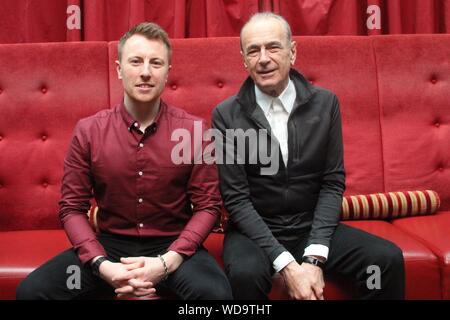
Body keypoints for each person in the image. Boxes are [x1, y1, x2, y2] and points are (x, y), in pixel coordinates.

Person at [16, 22, 232, 300]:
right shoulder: (89, 131)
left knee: (215, 295)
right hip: (107, 248)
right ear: (119, 69)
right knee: (33, 292)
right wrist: (101, 265)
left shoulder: (193, 131)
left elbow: (208, 207)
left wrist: (167, 262)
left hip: (174, 249)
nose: (145, 71)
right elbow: (71, 207)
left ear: (168, 72)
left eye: (156, 63)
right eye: (136, 61)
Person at [212, 12, 405, 300]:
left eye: (273, 47)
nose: (263, 58)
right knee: (245, 274)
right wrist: (288, 266)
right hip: (254, 233)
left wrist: (314, 257)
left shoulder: (325, 104)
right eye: (254, 50)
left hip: (310, 226)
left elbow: (332, 182)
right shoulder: (226, 115)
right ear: (244, 60)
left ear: (292, 52)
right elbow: (236, 199)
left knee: (384, 261)